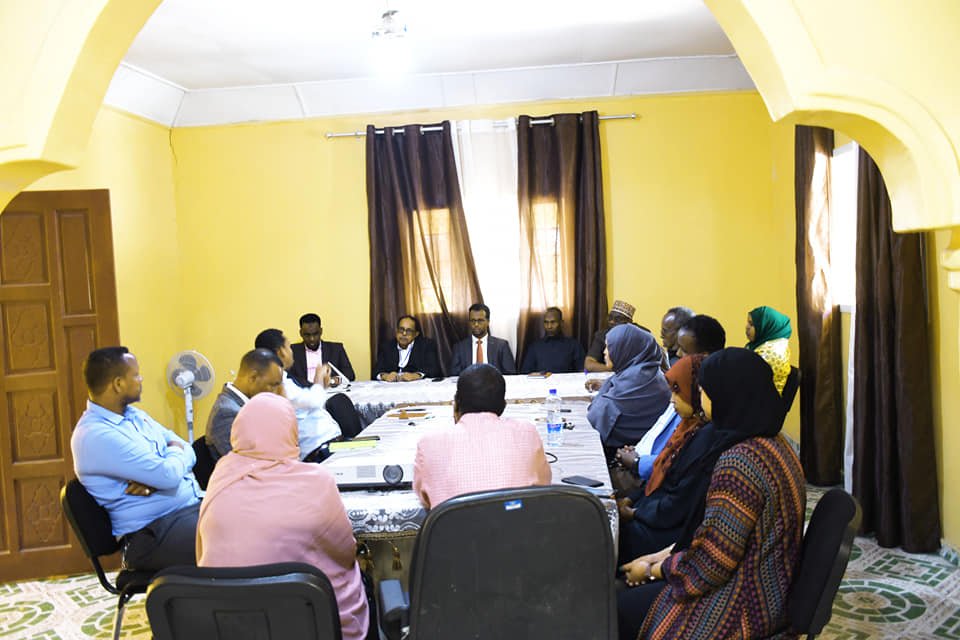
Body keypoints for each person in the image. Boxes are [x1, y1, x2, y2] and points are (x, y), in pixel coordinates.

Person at [617, 348, 806, 640]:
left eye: (705, 390)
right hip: (770, 586)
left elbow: (711, 565)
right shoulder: (776, 443)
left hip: (745, 603)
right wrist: (656, 558)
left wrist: (652, 570)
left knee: (618, 608)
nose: (701, 397)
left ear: (725, 395)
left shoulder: (740, 463)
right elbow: (714, 536)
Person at [196, 393, 370, 640]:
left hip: (230, 621)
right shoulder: (316, 480)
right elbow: (344, 551)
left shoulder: (221, 474)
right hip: (310, 620)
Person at [71, 347, 202, 571]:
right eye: (136, 375)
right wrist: (168, 464)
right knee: (231, 538)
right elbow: (169, 475)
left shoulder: (134, 415)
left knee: (246, 519)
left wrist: (159, 476)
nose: (141, 380)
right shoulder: (95, 435)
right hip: (152, 535)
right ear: (118, 384)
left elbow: (189, 450)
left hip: (185, 513)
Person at [614, 354, 716, 561]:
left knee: (602, 534)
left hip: (670, 531)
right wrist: (630, 500)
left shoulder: (706, 439)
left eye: (678, 391)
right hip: (655, 513)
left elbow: (678, 505)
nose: (671, 399)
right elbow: (661, 475)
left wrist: (634, 512)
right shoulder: (687, 427)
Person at [413, 364, 551, 509]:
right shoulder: (527, 433)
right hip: (516, 522)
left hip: (457, 524)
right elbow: (543, 485)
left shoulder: (429, 443)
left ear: (456, 403)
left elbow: (425, 499)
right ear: (503, 406)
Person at [255, 328, 343, 460]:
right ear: (281, 352)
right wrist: (318, 379)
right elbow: (313, 402)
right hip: (319, 450)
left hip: (329, 443)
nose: (292, 352)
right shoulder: (278, 384)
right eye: (289, 347)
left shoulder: (284, 377)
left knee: (371, 444)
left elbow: (308, 401)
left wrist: (321, 385)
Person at [586, 325, 671, 452]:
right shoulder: (650, 373)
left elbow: (595, 417)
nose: (604, 352)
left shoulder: (633, 383)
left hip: (623, 453)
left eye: (609, 347)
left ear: (625, 350)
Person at [205, 348, 285, 461]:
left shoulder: (250, 405)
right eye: (272, 385)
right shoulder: (227, 413)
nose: (275, 392)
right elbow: (245, 463)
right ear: (253, 377)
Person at [448, 303, 516, 375]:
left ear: (488, 322)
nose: (476, 324)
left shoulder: (501, 346)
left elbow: (510, 375)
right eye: (473, 320)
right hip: (468, 382)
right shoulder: (459, 348)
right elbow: (454, 376)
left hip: (494, 381)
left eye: (480, 320)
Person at [289, 312, 356, 385]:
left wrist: (333, 381)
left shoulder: (336, 349)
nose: (312, 339)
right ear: (301, 333)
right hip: (303, 390)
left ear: (321, 331)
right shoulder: (292, 351)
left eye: (315, 334)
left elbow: (350, 374)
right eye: (307, 335)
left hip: (329, 389)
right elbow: (287, 377)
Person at [373, 315, 442, 380]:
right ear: (396, 331)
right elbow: (376, 371)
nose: (404, 334)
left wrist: (415, 375)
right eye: (401, 329)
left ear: (416, 334)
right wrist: (385, 376)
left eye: (409, 331)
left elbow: (434, 369)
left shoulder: (427, 345)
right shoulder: (387, 347)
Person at [520, 307, 585, 374]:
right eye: (546, 322)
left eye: (553, 322)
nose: (549, 326)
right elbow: (525, 373)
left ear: (561, 323)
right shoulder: (535, 347)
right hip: (541, 380)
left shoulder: (574, 345)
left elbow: (583, 372)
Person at [745, 305, 793, 394]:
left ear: (766, 326)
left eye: (752, 324)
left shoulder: (769, 353)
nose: (747, 327)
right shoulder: (765, 345)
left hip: (762, 400)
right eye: (748, 322)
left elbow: (746, 380)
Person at [584, 299, 636, 372]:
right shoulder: (602, 336)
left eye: (617, 319)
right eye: (610, 317)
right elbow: (589, 364)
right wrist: (617, 370)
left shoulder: (640, 336)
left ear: (629, 322)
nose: (612, 321)